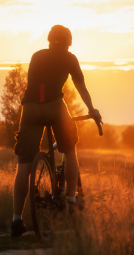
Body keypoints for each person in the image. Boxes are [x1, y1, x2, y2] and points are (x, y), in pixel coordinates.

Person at [10, 24, 101, 237]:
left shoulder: (36, 56)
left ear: (50, 41)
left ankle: (16, 220)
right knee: (69, 148)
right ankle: (70, 199)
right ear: (68, 44)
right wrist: (92, 110)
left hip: (30, 108)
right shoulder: (70, 58)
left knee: (24, 163)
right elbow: (81, 87)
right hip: (55, 107)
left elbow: (34, 84)